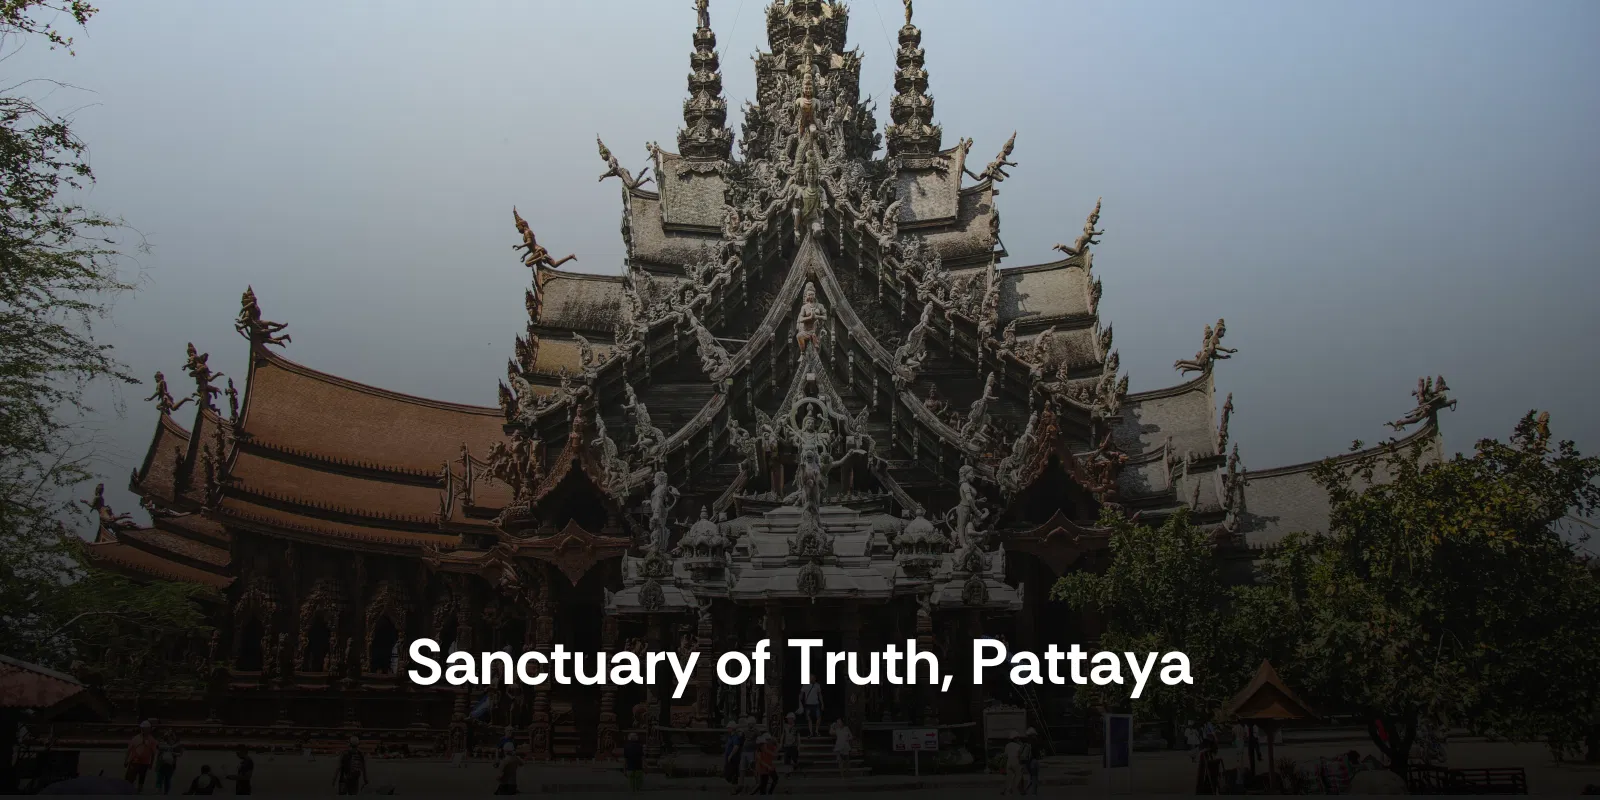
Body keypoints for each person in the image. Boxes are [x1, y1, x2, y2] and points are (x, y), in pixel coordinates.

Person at [124, 720, 159, 791]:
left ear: (149, 729)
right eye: (143, 728)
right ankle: (127, 790)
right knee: (130, 778)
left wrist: (151, 763)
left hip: (145, 762)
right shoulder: (136, 738)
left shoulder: (152, 740)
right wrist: (126, 760)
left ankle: (139, 790)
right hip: (134, 761)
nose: (144, 730)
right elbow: (129, 750)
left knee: (142, 778)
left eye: (146, 728)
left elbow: (153, 753)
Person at [156, 729, 184, 795]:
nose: (170, 737)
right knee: (159, 778)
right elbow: (158, 750)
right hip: (161, 763)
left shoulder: (177, 745)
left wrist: (172, 752)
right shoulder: (162, 743)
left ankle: (166, 792)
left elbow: (180, 754)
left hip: (171, 764)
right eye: (169, 736)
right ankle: (158, 790)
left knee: (167, 779)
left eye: (171, 736)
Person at [722, 723, 744, 793]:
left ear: (732, 729)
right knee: (728, 773)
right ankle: (734, 788)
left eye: (729, 728)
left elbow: (736, 747)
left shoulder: (735, 737)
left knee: (732, 774)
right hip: (729, 758)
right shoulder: (730, 737)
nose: (727, 729)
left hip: (734, 758)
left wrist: (731, 755)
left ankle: (734, 789)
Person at [1002, 731, 1024, 795]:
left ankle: (1008, 790)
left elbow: (1005, 755)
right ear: (1015, 738)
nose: (1018, 739)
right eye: (1018, 738)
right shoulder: (1018, 746)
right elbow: (1020, 755)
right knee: (1019, 775)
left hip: (1009, 763)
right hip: (1016, 762)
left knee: (1009, 777)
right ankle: (1016, 789)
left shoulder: (1007, 745)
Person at [1023, 727, 1040, 794]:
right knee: (1034, 777)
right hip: (1034, 761)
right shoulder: (1036, 742)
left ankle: (1026, 790)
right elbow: (1038, 753)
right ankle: (1034, 792)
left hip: (1029, 762)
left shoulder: (1028, 743)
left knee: (1031, 777)